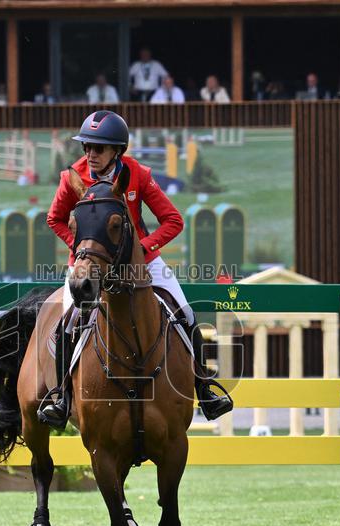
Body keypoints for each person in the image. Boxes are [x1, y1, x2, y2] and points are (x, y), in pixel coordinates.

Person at [38, 110, 233, 427]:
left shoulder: (137, 174)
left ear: (117, 150)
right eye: (87, 146)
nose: (91, 154)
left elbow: (173, 221)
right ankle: (62, 398)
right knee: (66, 324)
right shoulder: (72, 178)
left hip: (142, 264)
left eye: (98, 148)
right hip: (90, 265)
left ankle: (204, 388)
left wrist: (143, 248)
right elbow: (54, 219)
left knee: (186, 314)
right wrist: (80, 247)